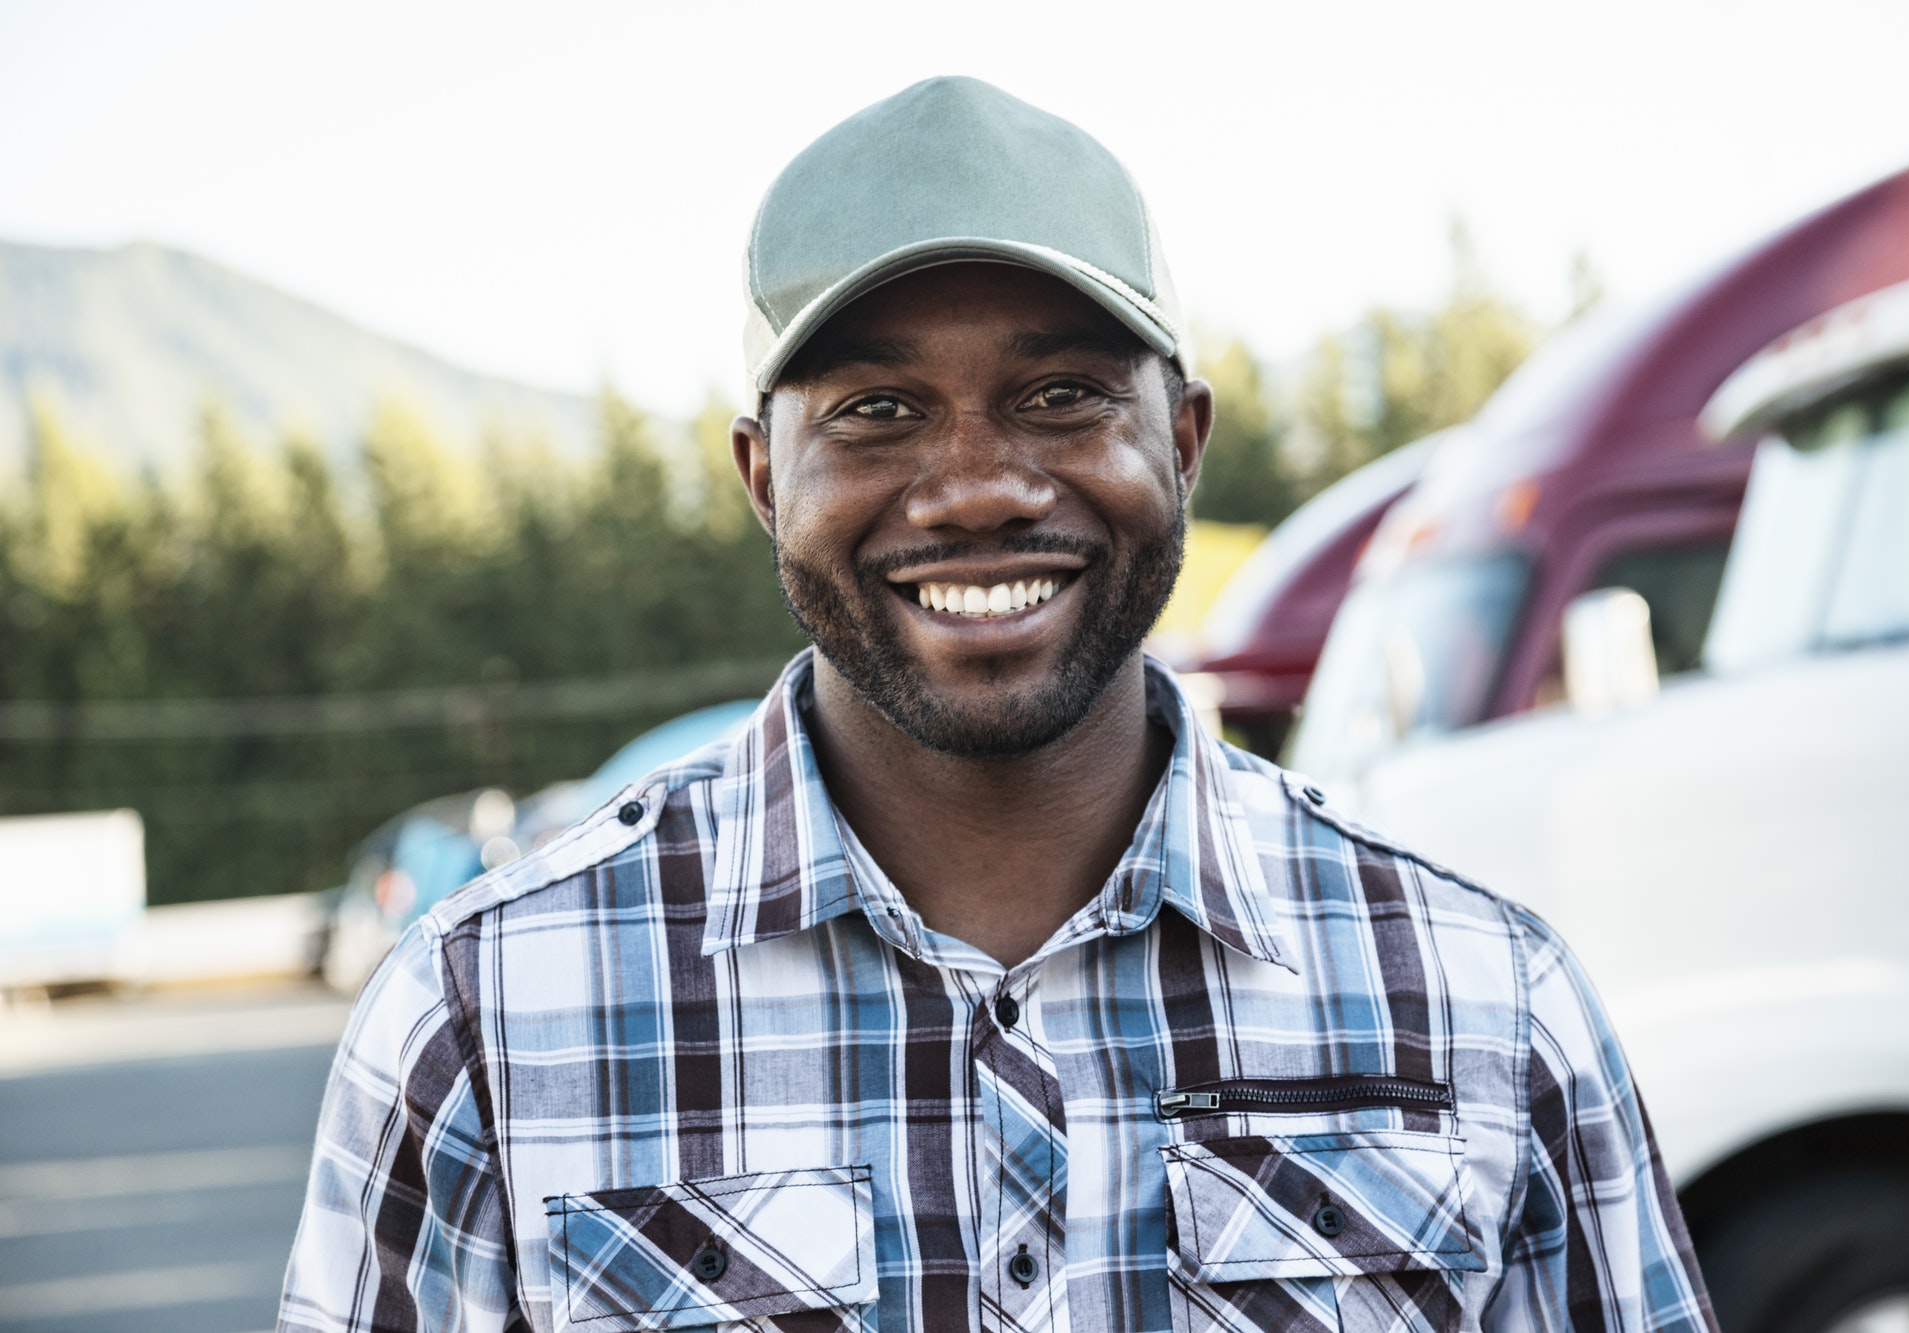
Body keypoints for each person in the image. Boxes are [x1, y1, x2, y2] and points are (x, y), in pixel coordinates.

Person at [280, 77, 1713, 1332]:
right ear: (763, 475)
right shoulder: (485, 1019)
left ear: (1184, 439)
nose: (976, 484)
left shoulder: (1484, 998)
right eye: (878, 410)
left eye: (1064, 393)